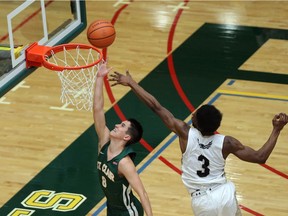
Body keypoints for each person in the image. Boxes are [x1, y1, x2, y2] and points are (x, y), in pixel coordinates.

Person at [109, 70, 288, 216]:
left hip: (202, 201)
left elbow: (155, 106)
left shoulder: (185, 133)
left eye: (195, 113)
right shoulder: (227, 143)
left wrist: (132, 83)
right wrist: (276, 129)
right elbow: (260, 157)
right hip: (224, 194)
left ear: (196, 123)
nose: (193, 113)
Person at [93, 62, 153, 216]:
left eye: (122, 125)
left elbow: (142, 193)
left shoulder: (125, 163)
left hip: (129, 212)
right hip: (112, 210)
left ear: (126, 137)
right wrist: (99, 78)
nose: (117, 125)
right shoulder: (104, 142)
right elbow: (98, 109)